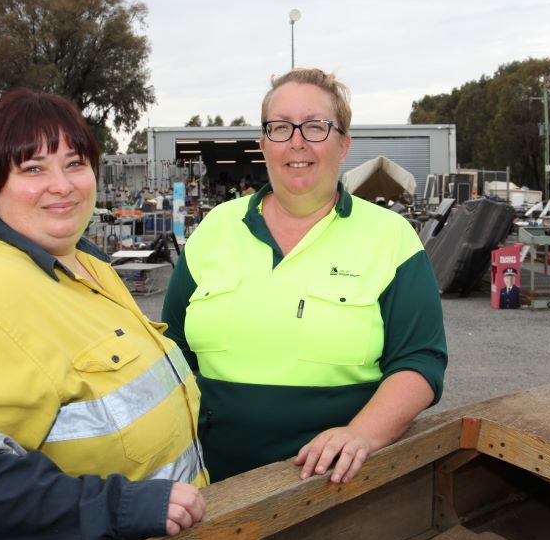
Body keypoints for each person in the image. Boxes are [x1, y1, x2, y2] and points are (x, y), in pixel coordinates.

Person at [0, 89, 208, 540]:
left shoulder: (85, 265)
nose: (62, 186)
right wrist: (122, 508)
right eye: (33, 168)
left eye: (75, 163)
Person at [162, 69, 447, 483]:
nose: (297, 141)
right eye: (280, 128)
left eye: (315, 126)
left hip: (335, 485)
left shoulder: (391, 238)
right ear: (263, 145)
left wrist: (360, 434)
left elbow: (421, 361)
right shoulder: (214, 230)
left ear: (344, 144)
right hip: (212, 487)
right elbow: (172, 352)